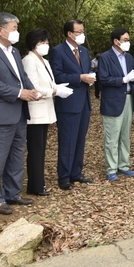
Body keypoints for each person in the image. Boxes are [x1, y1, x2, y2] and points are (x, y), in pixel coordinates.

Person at [0, 12, 41, 215]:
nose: (17, 32)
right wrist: (20, 93)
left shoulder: (14, 52)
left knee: (16, 156)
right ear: (0, 30)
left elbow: (22, 78)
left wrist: (33, 91)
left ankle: (13, 193)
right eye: (14, 28)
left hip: (18, 113)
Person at [22, 29, 73, 196]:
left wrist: (57, 88)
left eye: (46, 42)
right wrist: (54, 92)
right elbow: (33, 88)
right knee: (36, 149)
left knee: (41, 148)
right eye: (41, 43)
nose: (45, 45)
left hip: (45, 110)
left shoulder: (44, 60)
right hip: (35, 111)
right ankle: (35, 186)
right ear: (33, 44)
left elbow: (49, 83)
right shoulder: (29, 60)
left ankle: (38, 184)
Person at [50, 19, 96, 190]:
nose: (82, 34)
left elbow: (85, 71)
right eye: (79, 32)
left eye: (83, 31)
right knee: (67, 140)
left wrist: (89, 78)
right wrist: (79, 78)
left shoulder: (83, 51)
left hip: (84, 100)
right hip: (68, 102)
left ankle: (76, 173)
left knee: (79, 140)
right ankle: (64, 177)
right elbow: (57, 75)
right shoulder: (58, 51)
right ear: (69, 34)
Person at [98, 28, 134, 181]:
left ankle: (123, 166)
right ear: (116, 41)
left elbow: (133, 75)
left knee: (125, 136)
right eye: (125, 40)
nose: (127, 43)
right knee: (112, 137)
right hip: (113, 101)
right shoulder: (105, 57)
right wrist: (122, 80)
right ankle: (111, 169)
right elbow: (103, 79)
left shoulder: (129, 57)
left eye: (128, 40)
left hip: (128, 99)